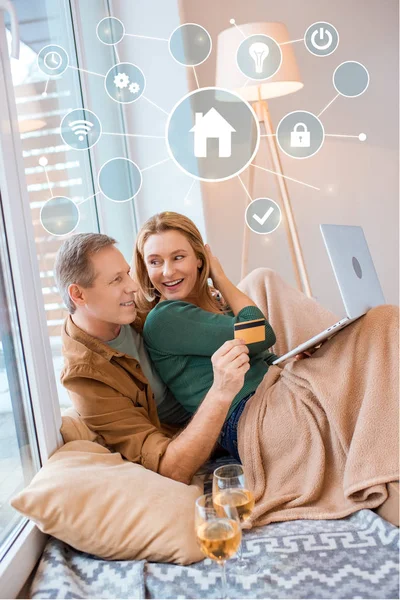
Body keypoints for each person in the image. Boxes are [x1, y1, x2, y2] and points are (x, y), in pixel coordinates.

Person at [133, 211, 399, 527]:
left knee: (378, 343)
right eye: (155, 261)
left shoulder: (208, 306)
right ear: (144, 267)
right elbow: (261, 334)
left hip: (275, 394)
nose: (167, 271)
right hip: (252, 419)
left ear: (198, 259)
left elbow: (259, 351)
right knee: (384, 321)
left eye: (178, 257)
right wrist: (219, 275)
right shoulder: (166, 318)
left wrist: (287, 361)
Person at [55, 233, 250, 485]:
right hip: (224, 419)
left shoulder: (137, 308)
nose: (133, 286)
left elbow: (211, 316)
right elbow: (172, 468)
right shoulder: (86, 379)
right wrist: (221, 391)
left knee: (261, 281)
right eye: (116, 280)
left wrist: (281, 350)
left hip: (246, 385)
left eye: (126, 273)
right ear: (78, 295)